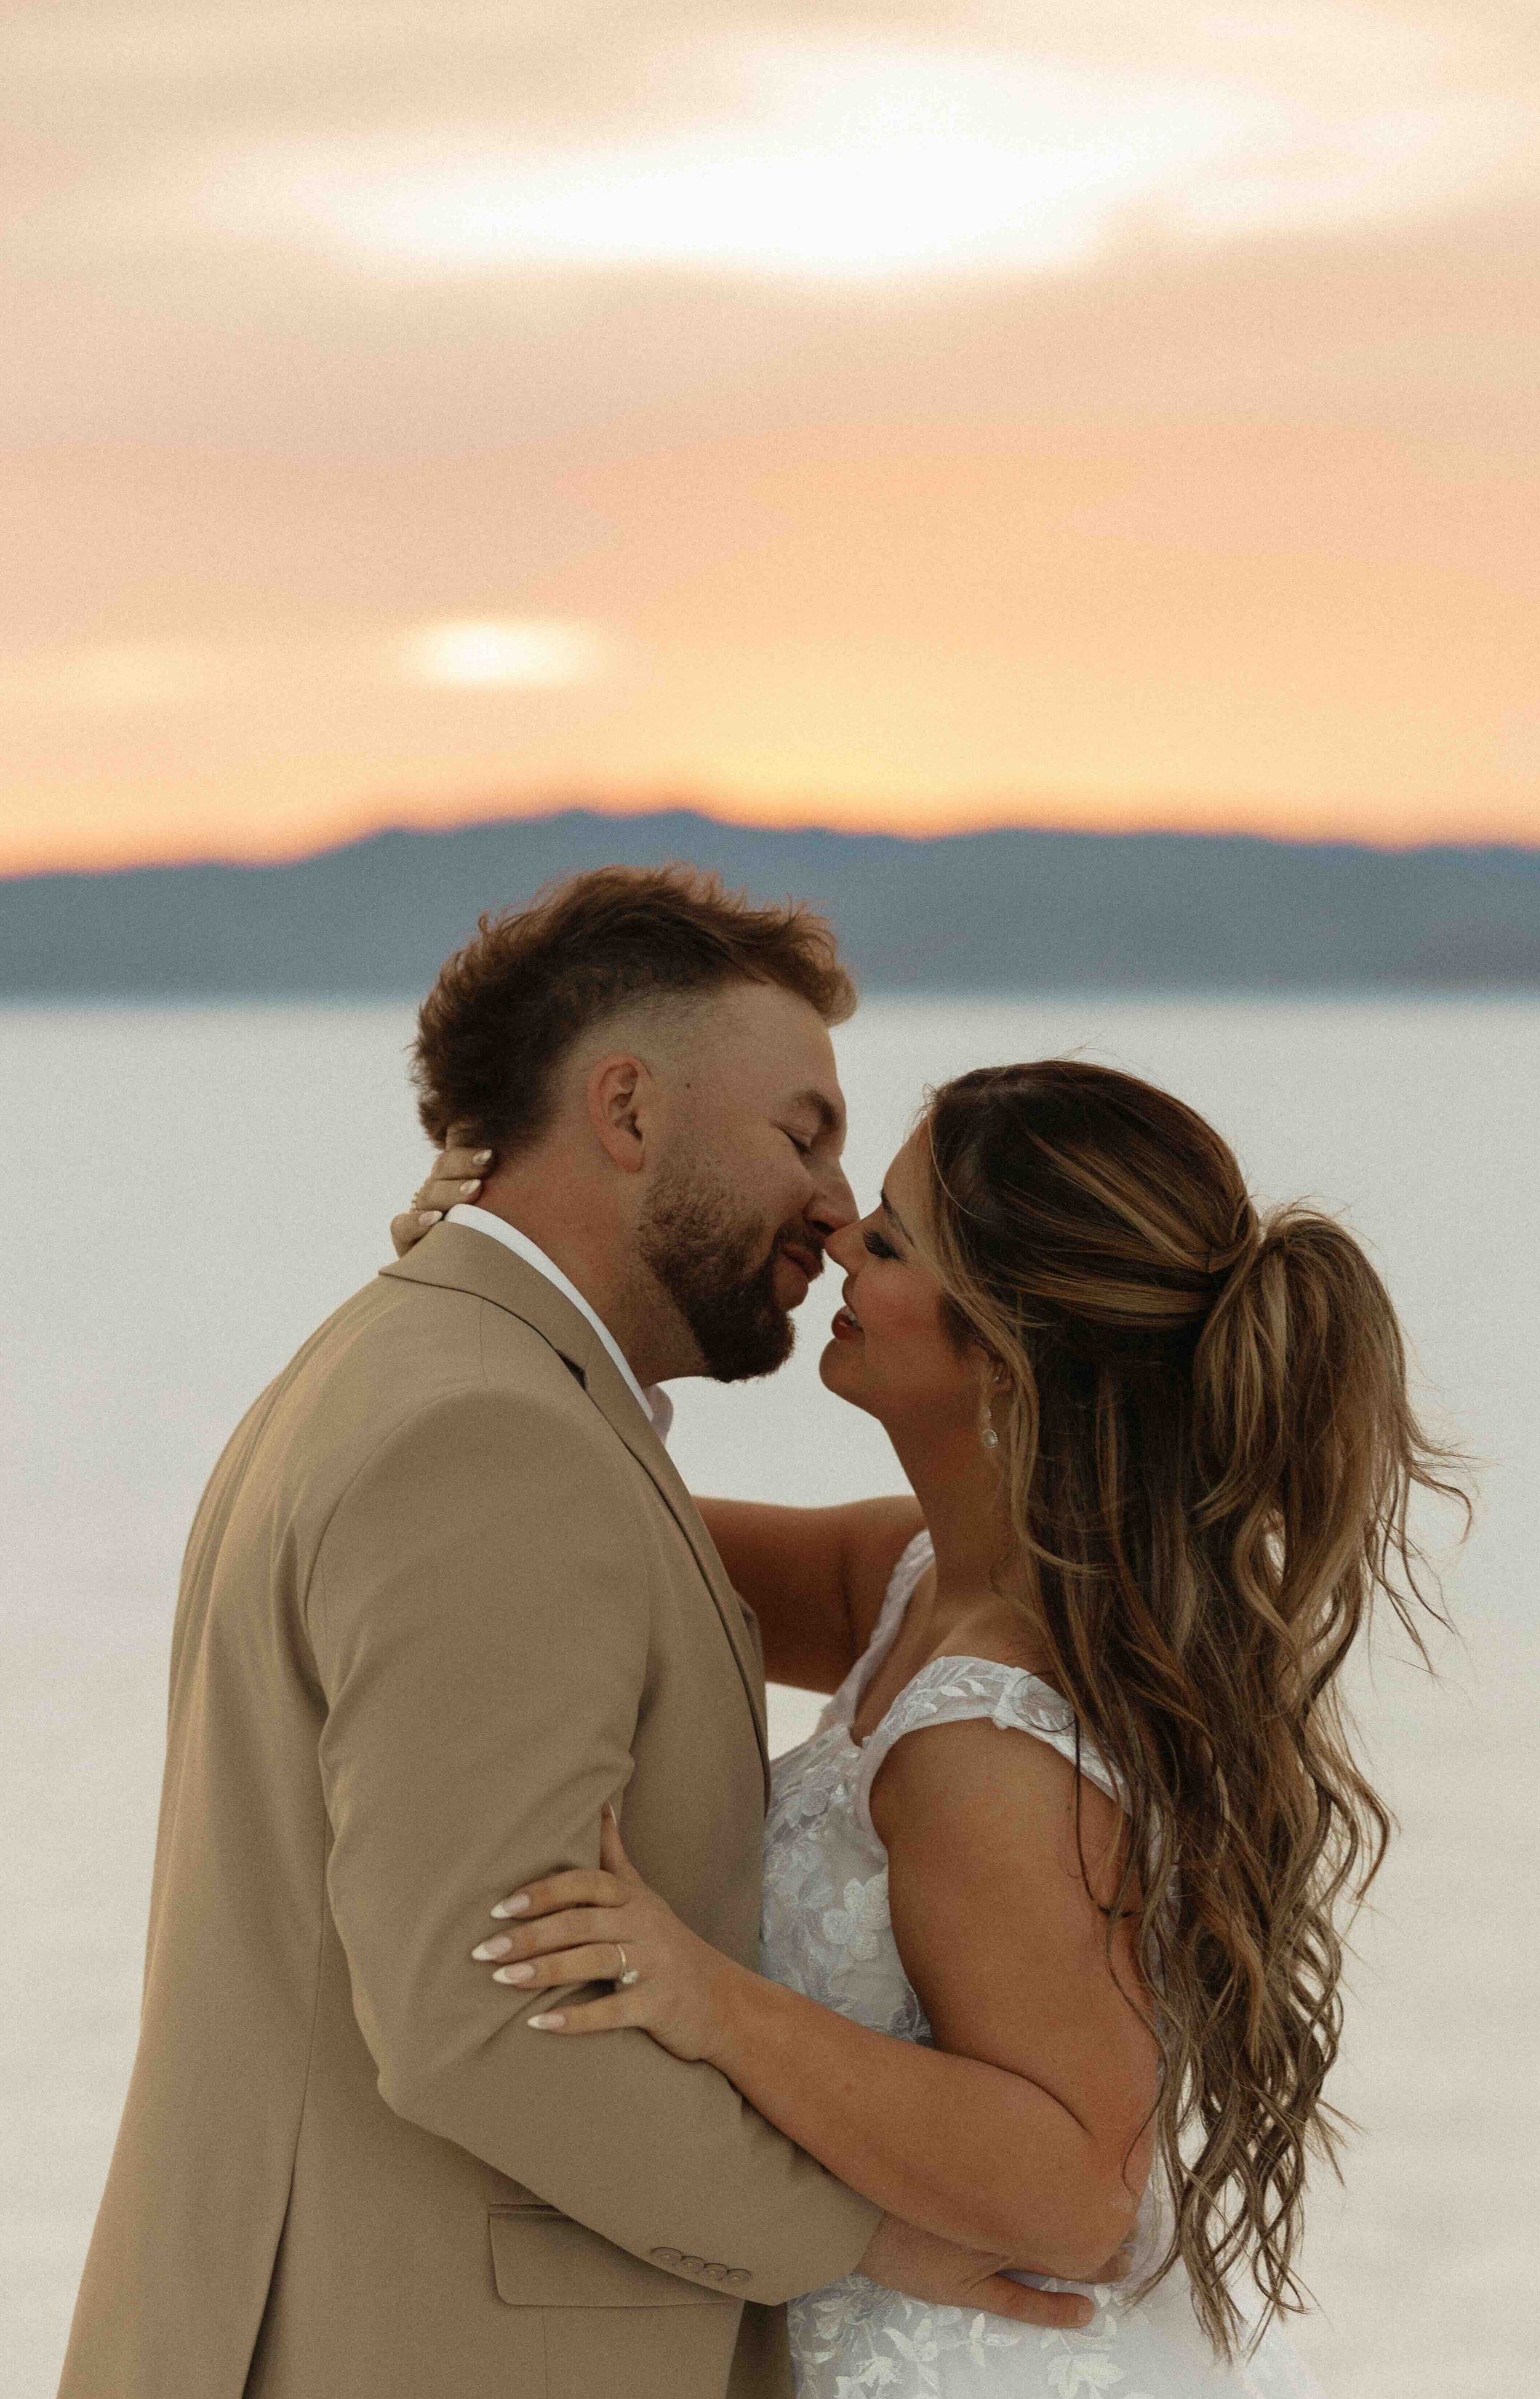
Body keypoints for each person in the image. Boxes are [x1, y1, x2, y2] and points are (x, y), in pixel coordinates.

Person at [59, 870, 1108, 2399]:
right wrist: (846, 2237)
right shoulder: (492, 1437)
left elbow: (850, 1573)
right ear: (625, 1111)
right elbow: (479, 2018)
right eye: (801, 1133)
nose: (832, 1205)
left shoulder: (428, 1368)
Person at [402, 1054, 1462, 2395]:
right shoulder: (922, 1579)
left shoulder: (985, 1746)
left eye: (890, 1241)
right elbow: (602, 1525)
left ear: (1007, 1356)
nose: (840, 1235)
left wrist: (703, 1999)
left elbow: (1081, 2190)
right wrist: (502, 1290)